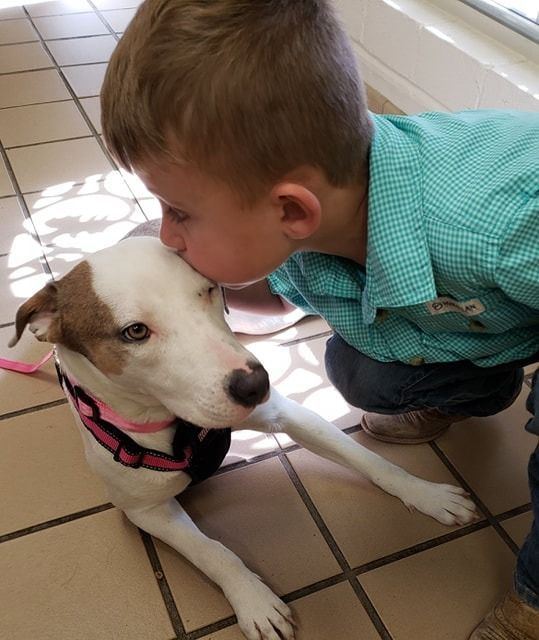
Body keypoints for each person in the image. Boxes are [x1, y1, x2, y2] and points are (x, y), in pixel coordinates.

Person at [100, 1, 539, 637]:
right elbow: (263, 294)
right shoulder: (309, 231)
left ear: (291, 210)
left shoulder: (496, 223)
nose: (167, 236)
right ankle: (482, 384)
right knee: (354, 367)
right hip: (490, 314)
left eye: (179, 212)